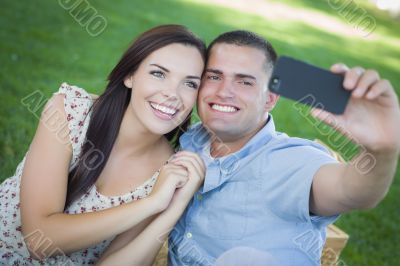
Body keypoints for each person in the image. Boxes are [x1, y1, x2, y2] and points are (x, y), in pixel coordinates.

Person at [166, 30, 400, 265]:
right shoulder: (192, 138)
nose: (223, 91)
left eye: (245, 81)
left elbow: (351, 191)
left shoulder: (290, 161)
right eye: (214, 77)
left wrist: (381, 151)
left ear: (270, 99)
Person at [0, 24, 206, 265]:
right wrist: (150, 204)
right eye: (159, 73)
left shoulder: (170, 171)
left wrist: (171, 208)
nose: (173, 93)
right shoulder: (71, 113)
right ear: (130, 76)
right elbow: (38, 239)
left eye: (190, 83)